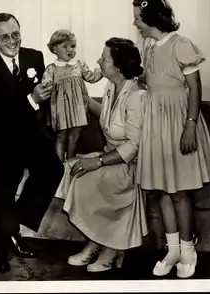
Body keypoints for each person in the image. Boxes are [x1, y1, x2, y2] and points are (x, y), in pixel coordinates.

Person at [132, 0, 210, 278]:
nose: (135, 24)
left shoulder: (181, 45)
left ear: (153, 20)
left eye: (138, 19)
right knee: (161, 189)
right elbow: (151, 78)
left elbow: (195, 87)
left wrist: (190, 125)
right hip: (155, 122)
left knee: (180, 191)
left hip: (180, 121)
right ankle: (172, 249)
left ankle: (187, 248)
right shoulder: (148, 45)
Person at [0, 13, 64, 273]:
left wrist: (42, 101)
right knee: (5, 179)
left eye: (15, 34)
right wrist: (32, 98)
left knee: (53, 168)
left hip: (27, 132)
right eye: (4, 37)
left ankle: (13, 224)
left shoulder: (35, 57)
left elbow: (41, 101)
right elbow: (1, 113)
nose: (12, 41)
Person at [58, 37, 148, 272]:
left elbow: (133, 146)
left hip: (131, 165)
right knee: (74, 168)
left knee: (90, 175)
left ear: (118, 67)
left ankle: (110, 245)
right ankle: (98, 241)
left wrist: (97, 162)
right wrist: (82, 99)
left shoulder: (137, 95)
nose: (98, 61)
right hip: (111, 157)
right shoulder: (111, 86)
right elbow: (107, 118)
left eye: (104, 58)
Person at [41, 29, 103, 162]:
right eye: (65, 46)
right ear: (54, 49)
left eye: (73, 46)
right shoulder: (52, 68)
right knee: (61, 135)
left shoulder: (79, 65)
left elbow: (91, 77)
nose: (70, 49)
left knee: (76, 134)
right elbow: (45, 85)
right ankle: (59, 165)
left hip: (78, 107)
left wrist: (100, 72)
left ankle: (70, 161)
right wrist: (46, 85)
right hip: (60, 108)